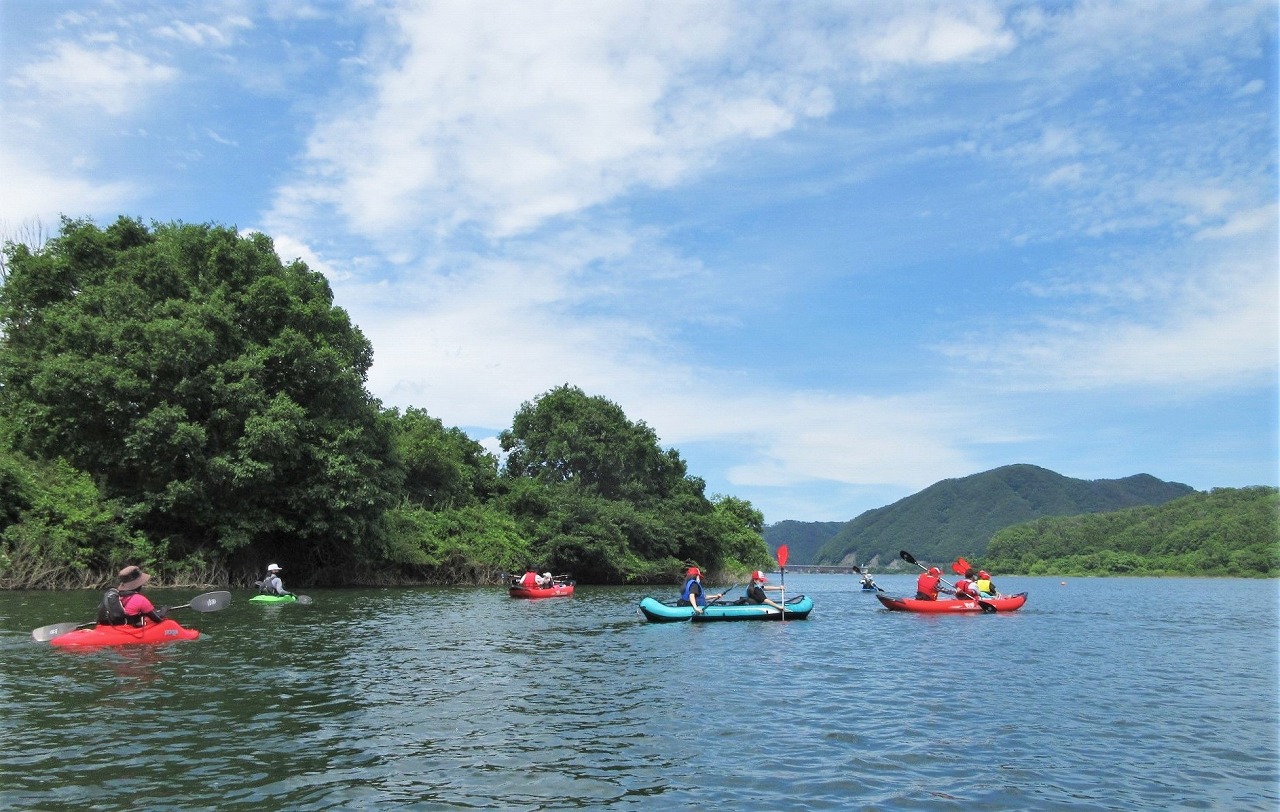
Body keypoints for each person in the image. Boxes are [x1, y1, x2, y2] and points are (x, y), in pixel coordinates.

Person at [99, 566, 166, 627]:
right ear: (139, 585)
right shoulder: (140, 599)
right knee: (168, 622)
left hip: (113, 627)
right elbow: (158, 620)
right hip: (126, 630)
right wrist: (163, 611)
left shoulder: (116, 595)